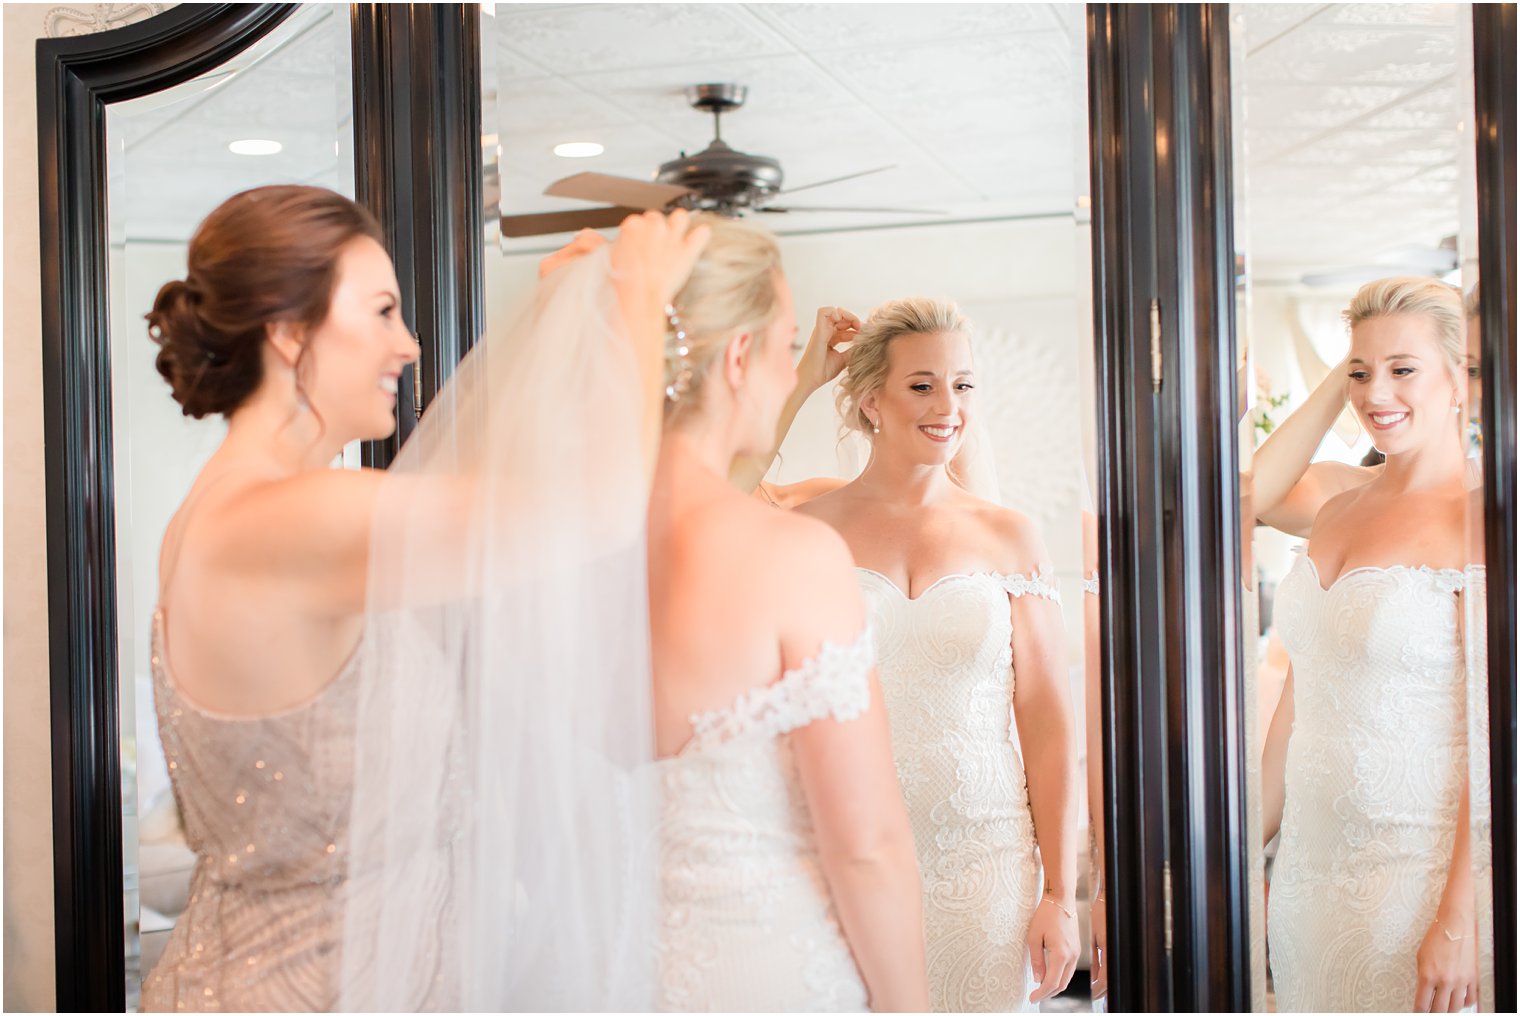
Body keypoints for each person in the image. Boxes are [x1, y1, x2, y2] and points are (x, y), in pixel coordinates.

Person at [140, 187, 707, 1010]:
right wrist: (639, 298)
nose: (407, 344)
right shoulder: (282, 521)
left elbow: (475, 499)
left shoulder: (253, 507)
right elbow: (597, 511)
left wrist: (562, 322)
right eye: (380, 312)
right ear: (289, 331)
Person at [592, 215, 926, 1011]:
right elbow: (867, 847)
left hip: (613, 975)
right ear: (739, 357)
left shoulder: (556, 557)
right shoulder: (790, 556)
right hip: (767, 970)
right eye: (785, 347)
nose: (791, 375)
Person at [793, 298, 1081, 1012]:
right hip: (841, 852)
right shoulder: (807, 528)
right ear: (870, 401)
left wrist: (1061, 893)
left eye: (963, 384)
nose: (948, 405)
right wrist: (804, 378)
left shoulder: (1010, 535)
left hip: (985, 864)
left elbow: (1047, 716)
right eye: (922, 385)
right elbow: (714, 499)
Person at [1260, 277, 1480, 1013]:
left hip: (1418, 879)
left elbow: (1498, 736)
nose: (1376, 391)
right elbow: (1245, 495)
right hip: (1309, 876)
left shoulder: (1487, 517)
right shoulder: (1333, 504)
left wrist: (1463, 912)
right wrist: (1238, 849)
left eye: (1404, 368)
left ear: (1461, 376)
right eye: (1360, 371)